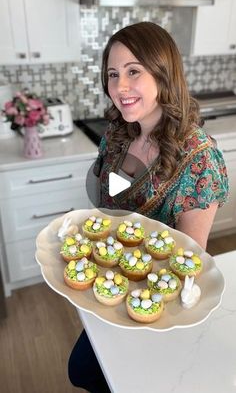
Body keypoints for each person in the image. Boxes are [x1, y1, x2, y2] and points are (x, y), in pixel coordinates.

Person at [68, 22, 229, 392]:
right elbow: (108, 199)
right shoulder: (119, 132)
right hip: (107, 285)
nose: (119, 87)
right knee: (83, 373)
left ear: (163, 73)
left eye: (133, 71)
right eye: (112, 74)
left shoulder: (198, 157)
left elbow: (187, 262)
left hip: (150, 304)